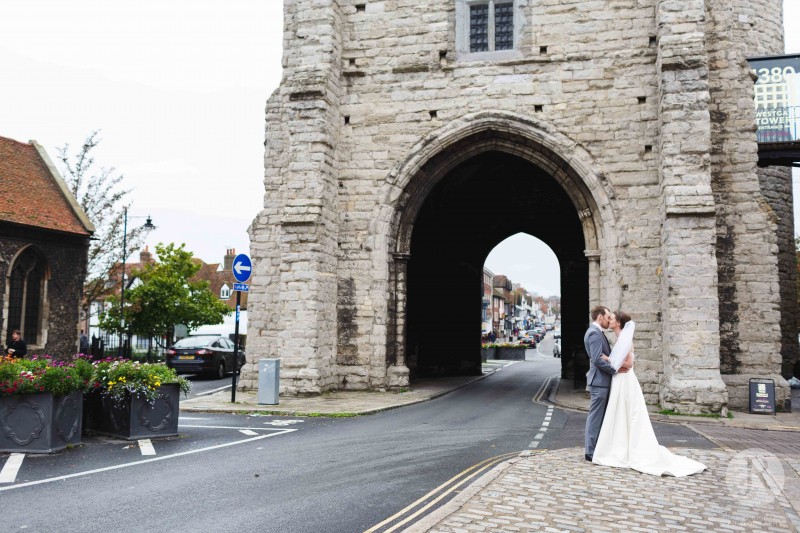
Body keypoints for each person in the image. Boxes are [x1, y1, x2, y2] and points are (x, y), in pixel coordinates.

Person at [592, 311, 706, 476]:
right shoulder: (619, 337)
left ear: (618, 323)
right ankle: (619, 447)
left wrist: (609, 360)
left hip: (625, 381)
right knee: (619, 415)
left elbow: (629, 365)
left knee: (628, 414)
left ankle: (626, 450)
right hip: (619, 381)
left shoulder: (626, 339)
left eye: (612, 318)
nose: (609, 320)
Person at [584, 306, 629, 461]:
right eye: (607, 316)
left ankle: (598, 448)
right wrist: (614, 370)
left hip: (602, 381)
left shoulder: (597, 333)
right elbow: (597, 359)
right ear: (600, 317)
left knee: (602, 417)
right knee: (595, 417)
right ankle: (590, 451)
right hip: (599, 381)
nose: (609, 319)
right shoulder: (594, 334)